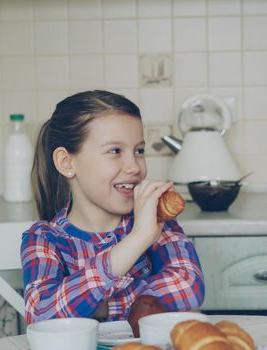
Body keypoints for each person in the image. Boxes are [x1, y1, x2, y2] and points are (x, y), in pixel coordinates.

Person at [21, 90, 205, 323]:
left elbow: (189, 288)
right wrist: (137, 240)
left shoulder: (154, 220)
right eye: (115, 151)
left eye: (139, 151)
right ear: (66, 162)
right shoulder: (44, 238)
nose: (134, 167)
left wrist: (103, 307)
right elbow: (42, 315)